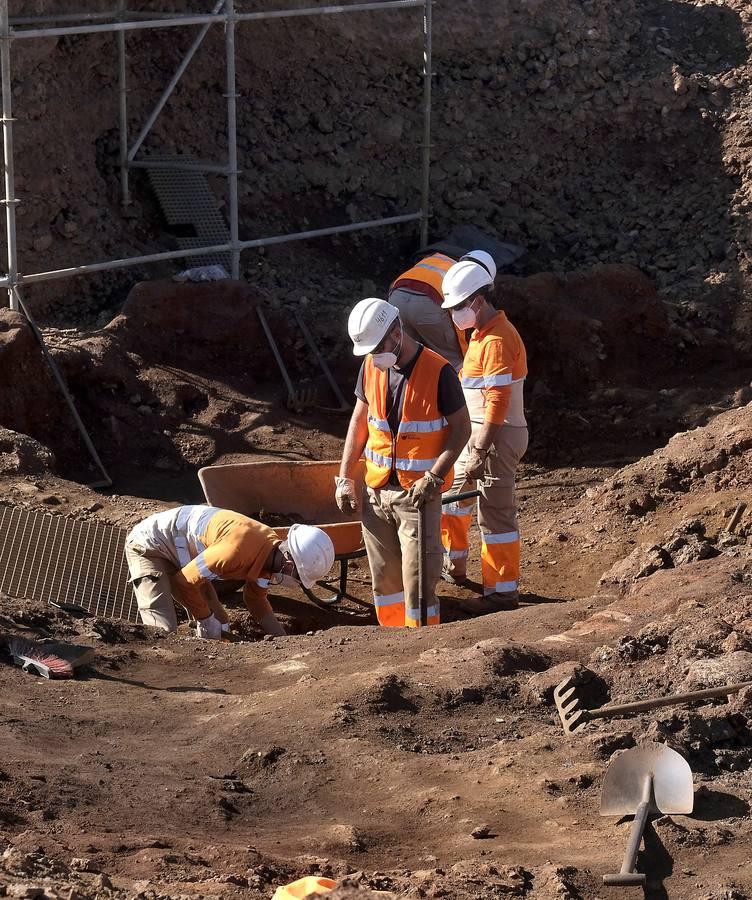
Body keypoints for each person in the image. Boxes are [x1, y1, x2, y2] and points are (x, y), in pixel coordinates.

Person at [335, 298, 471, 627]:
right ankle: (390, 647)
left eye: (377, 346)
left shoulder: (438, 371)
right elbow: (359, 420)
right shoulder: (371, 365)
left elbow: (462, 429)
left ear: (396, 333)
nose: (373, 354)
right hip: (376, 490)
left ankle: (420, 652)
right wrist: (344, 477)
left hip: (417, 495)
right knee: (384, 583)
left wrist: (435, 477)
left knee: (419, 587)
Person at [439, 259, 528, 613]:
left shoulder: (495, 339)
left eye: (458, 307)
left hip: (496, 438)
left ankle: (502, 593)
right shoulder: (480, 334)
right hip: (482, 437)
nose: (454, 315)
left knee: (495, 516)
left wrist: (479, 449)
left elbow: (497, 403)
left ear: (477, 301)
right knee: (452, 497)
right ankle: (453, 566)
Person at [125, 505, 335, 638]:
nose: (297, 584)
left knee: (222, 622)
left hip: (183, 554)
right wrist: (204, 619)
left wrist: (285, 643)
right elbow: (184, 582)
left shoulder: (270, 556)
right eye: (299, 577)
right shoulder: (236, 552)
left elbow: (256, 601)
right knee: (163, 632)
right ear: (289, 563)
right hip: (149, 546)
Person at [388, 250, 497, 373]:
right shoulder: (463, 279)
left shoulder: (439, 259)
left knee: (408, 361)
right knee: (454, 364)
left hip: (396, 297)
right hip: (428, 304)